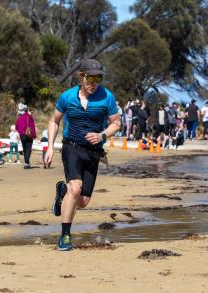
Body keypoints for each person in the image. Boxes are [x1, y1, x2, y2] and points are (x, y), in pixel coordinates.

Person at [44, 58, 120, 251]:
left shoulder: (107, 97)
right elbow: (54, 122)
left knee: (83, 201)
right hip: (72, 147)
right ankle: (65, 236)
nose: (93, 84)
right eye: (90, 79)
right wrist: (50, 146)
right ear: (81, 76)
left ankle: (62, 191)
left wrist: (102, 135)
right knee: (75, 189)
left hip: (93, 152)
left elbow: (116, 123)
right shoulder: (67, 97)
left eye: (98, 79)